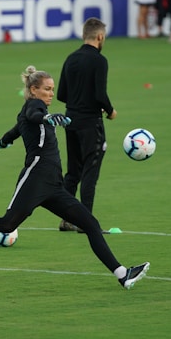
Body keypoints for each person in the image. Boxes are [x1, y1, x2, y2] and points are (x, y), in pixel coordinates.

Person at [0, 65, 150, 290]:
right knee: (5, 225)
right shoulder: (35, 106)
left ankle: (123, 274)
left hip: (53, 184)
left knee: (90, 224)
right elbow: (34, 116)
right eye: (47, 89)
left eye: (52, 89)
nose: (51, 93)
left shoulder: (31, 109)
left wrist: (2, 142)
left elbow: (17, 129)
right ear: (34, 90)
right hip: (36, 177)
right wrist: (48, 117)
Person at [56, 17, 116, 232]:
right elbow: (100, 94)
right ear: (100, 36)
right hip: (91, 123)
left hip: (70, 121)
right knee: (90, 173)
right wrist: (110, 110)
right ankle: (86, 223)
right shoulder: (100, 61)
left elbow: (61, 94)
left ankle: (66, 219)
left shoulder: (71, 59)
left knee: (73, 173)